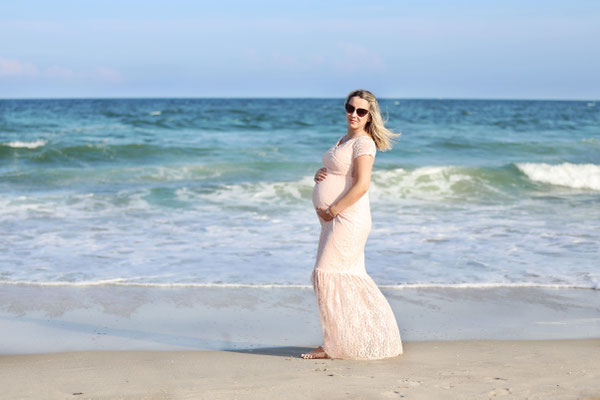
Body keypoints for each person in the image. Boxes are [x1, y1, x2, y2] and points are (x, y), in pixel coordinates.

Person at [301, 89, 403, 360]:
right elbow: (340, 172)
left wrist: (333, 209)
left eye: (361, 111)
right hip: (333, 219)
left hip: (346, 217)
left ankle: (334, 344)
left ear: (370, 116)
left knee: (326, 274)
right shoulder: (345, 138)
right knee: (336, 277)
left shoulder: (364, 144)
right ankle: (342, 340)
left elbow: (362, 185)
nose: (353, 114)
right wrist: (320, 174)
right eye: (350, 108)